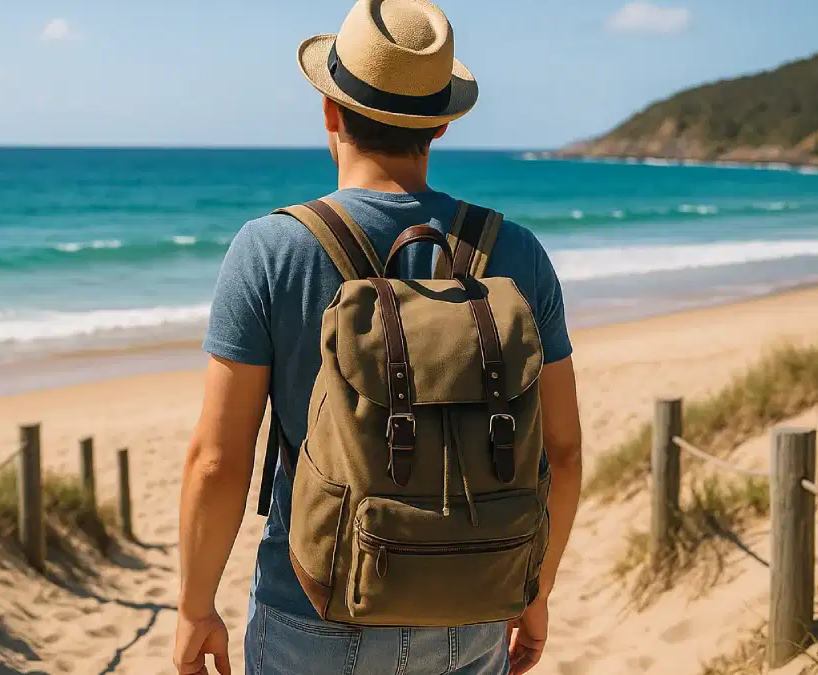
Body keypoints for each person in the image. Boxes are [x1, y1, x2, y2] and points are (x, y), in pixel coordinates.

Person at [174, 1, 583, 673]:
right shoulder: (515, 251)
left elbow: (217, 459)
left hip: (312, 607)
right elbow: (561, 454)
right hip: (471, 604)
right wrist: (534, 589)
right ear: (443, 122)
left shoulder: (271, 249)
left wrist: (195, 607)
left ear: (329, 111)